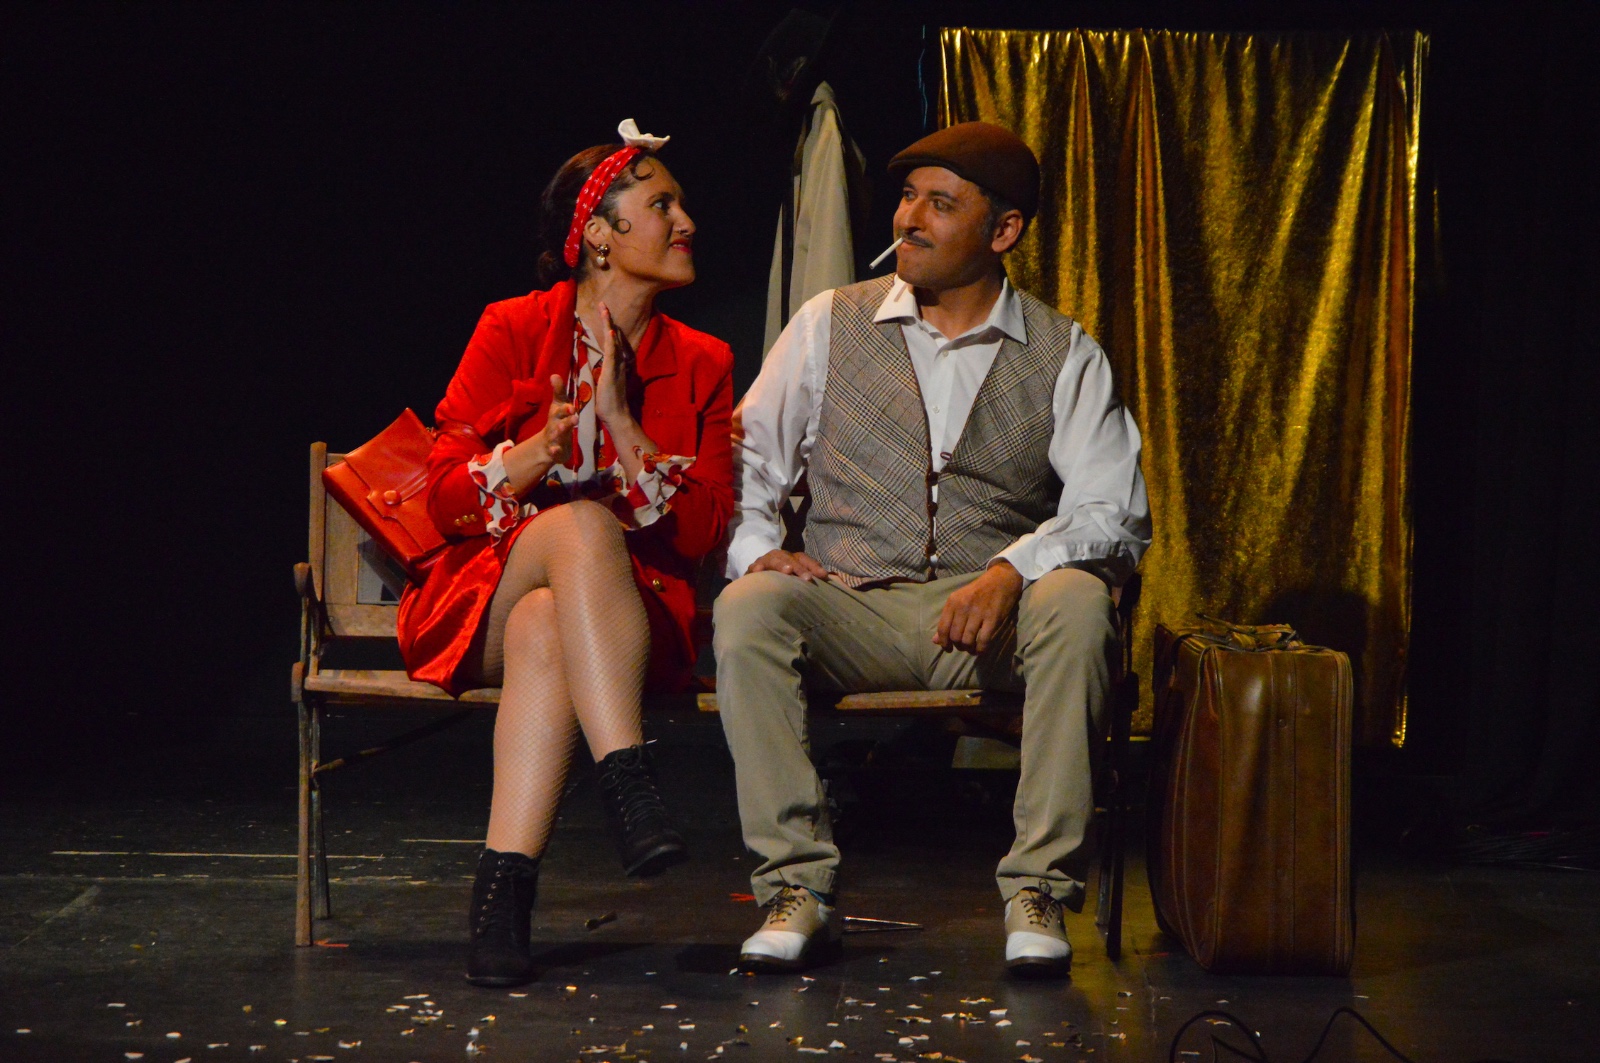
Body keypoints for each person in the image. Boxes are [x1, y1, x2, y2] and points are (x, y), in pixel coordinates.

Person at [715, 121, 1151, 978]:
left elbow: (1114, 509)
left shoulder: (1064, 352)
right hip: (855, 607)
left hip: (987, 625)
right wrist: (760, 546)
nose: (909, 218)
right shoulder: (829, 323)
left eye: (940, 204)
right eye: (909, 197)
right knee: (749, 607)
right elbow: (749, 457)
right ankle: (796, 884)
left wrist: (1011, 570)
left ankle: (1038, 888)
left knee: (1077, 598)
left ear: (1004, 230)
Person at [396, 120, 734, 987]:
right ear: (600, 236)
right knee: (578, 529)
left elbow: (703, 533)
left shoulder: (703, 362)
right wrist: (525, 461)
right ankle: (629, 777)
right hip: (482, 600)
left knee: (551, 621)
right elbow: (438, 496)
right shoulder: (513, 327)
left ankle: (501, 900)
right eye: (661, 205)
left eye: (682, 205)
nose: (687, 221)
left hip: (628, 627)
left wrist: (621, 423)